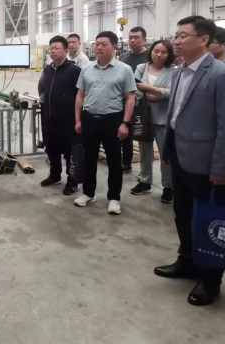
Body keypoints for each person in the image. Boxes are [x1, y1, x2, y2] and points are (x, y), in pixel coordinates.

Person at [154, 16, 225, 307]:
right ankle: (188, 261)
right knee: (183, 214)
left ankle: (210, 279)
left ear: (204, 40)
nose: (177, 41)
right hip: (181, 158)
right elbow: (175, 117)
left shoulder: (223, 74)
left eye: (183, 36)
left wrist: (222, 168)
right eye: (176, 35)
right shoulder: (180, 71)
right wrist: (169, 152)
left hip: (207, 163)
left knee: (211, 221)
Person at [73, 31, 136, 215]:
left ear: (114, 47)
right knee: (89, 159)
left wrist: (125, 123)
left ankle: (114, 198)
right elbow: (80, 96)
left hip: (113, 120)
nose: (99, 47)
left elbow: (130, 98)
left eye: (104, 44)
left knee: (114, 161)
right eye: (97, 44)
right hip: (89, 119)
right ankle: (88, 193)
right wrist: (78, 119)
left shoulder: (124, 69)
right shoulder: (87, 69)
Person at [130, 40, 176, 203]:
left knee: (166, 154)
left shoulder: (174, 71)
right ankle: (145, 181)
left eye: (163, 52)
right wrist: (158, 93)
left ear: (169, 54)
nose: (159, 54)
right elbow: (134, 87)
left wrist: (149, 88)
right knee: (144, 151)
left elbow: (173, 93)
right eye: (156, 51)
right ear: (151, 51)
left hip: (164, 119)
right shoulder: (141, 68)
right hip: (144, 116)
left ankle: (168, 186)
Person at [38, 36, 83, 194]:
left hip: (68, 119)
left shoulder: (75, 71)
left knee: (70, 151)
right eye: (51, 48)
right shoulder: (48, 70)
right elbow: (42, 89)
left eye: (57, 48)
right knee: (51, 148)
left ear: (66, 51)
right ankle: (55, 174)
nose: (53, 51)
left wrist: (78, 118)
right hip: (49, 117)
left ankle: (73, 180)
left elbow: (80, 95)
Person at [119, 27, 149, 173]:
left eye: (136, 37)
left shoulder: (151, 56)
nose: (132, 40)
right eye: (130, 37)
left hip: (145, 102)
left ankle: (146, 171)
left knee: (143, 135)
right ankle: (126, 162)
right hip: (125, 100)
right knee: (125, 131)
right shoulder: (123, 57)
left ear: (144, 40)